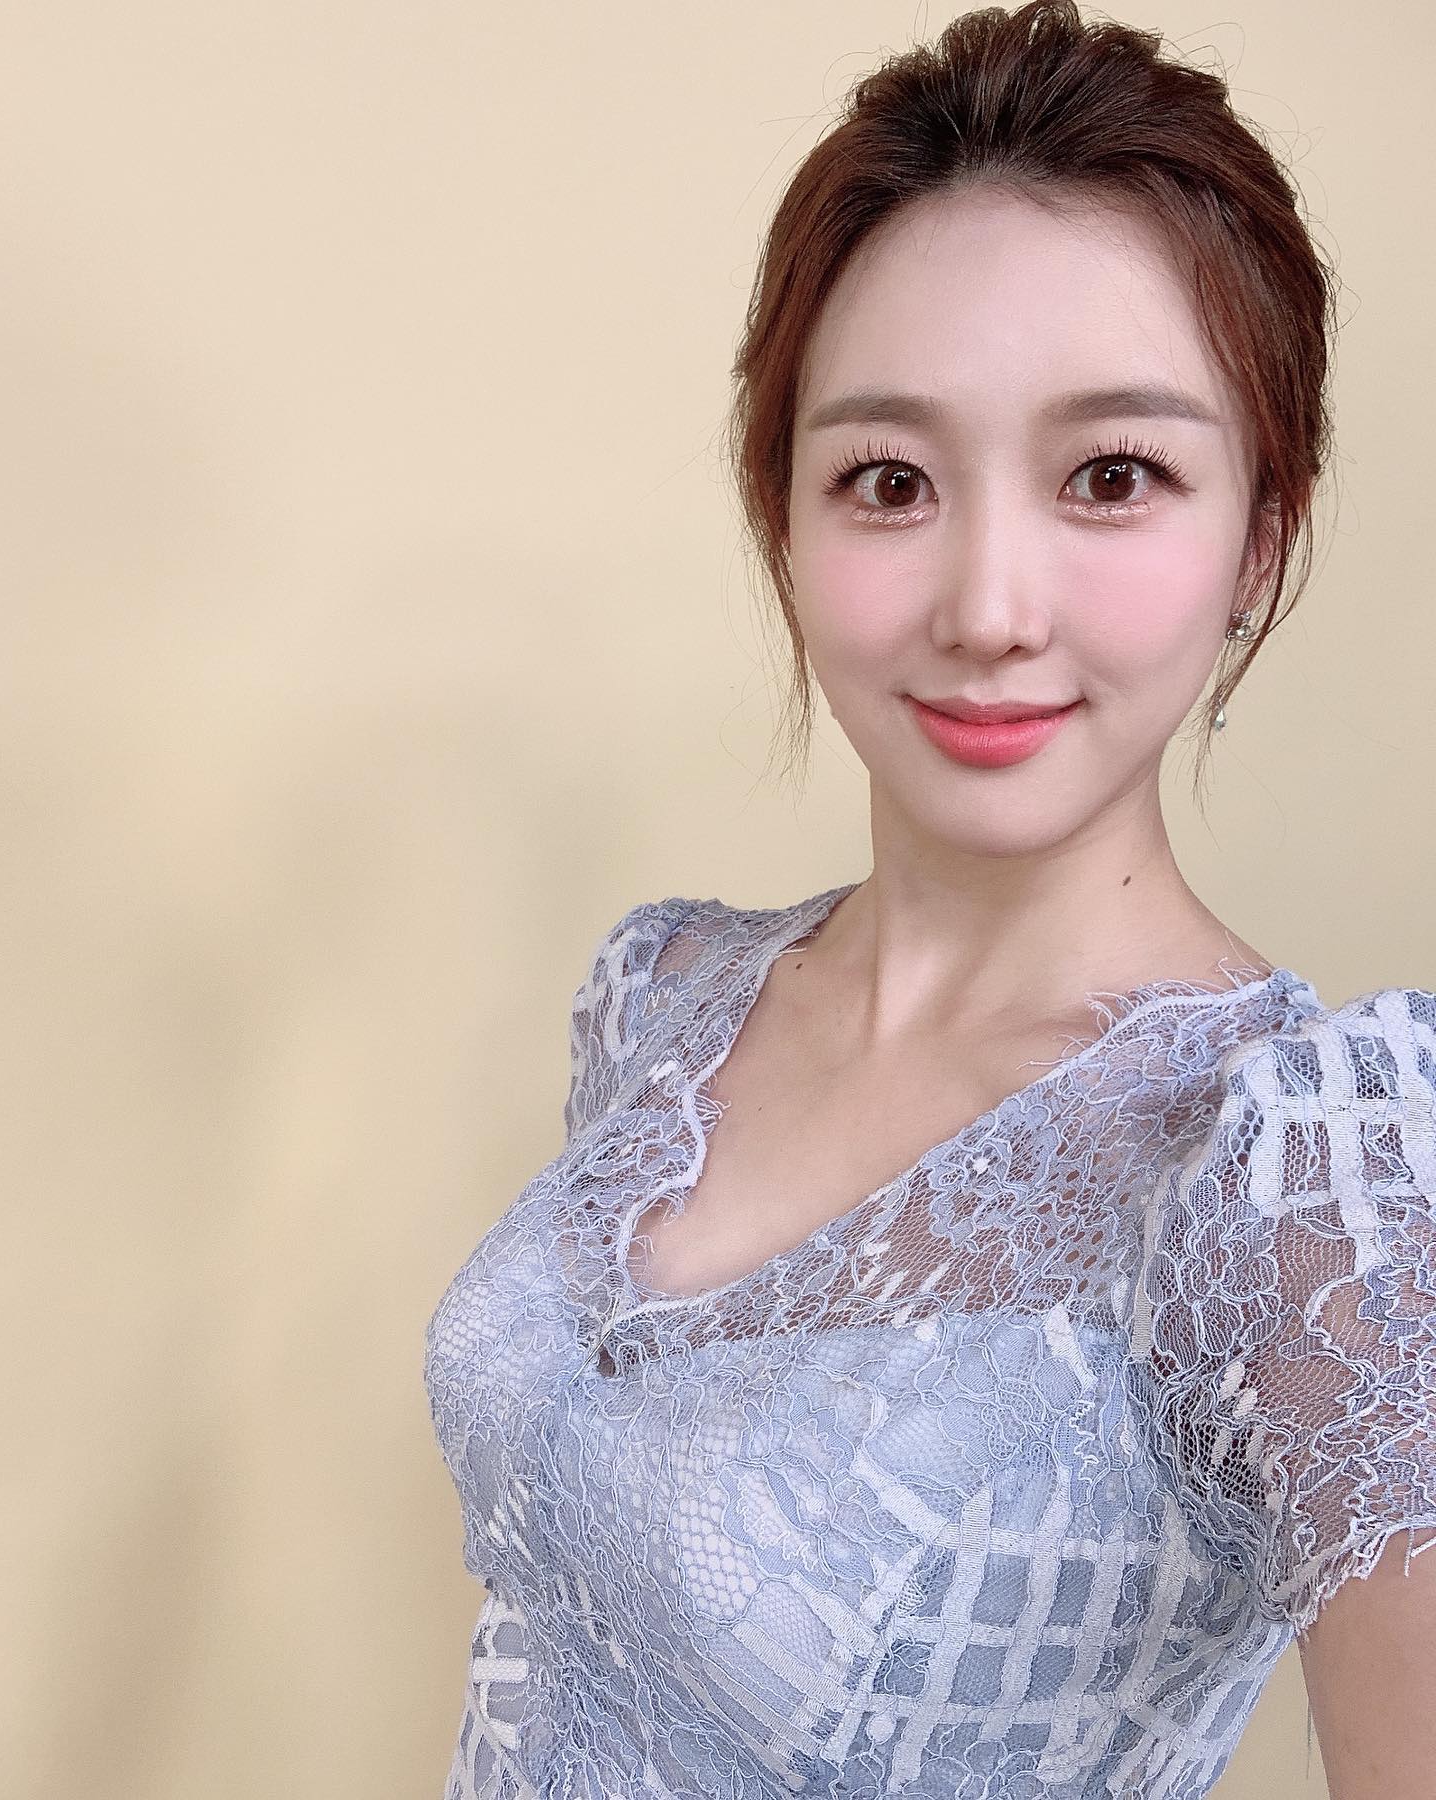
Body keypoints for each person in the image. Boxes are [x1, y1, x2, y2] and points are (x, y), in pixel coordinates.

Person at [424, 5, 1436, 1795]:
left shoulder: (1293, 1175)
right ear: (785, 522)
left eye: (1112, 477)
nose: (987, 608)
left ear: (1261, 537)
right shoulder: (666, 1001)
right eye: (889, 482)